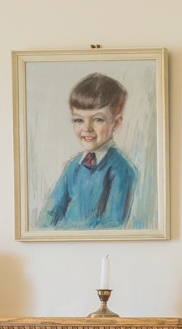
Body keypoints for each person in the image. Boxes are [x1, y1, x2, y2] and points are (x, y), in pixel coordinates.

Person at [42, 72, 138, 231]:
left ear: (116, 123)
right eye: (79, 120)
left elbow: (113, 225)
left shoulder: (121, 170)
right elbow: (50, 213)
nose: (86, 129)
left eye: (98, 120)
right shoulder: (72, 167)